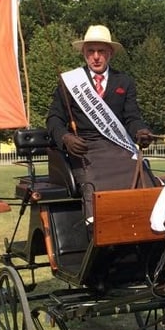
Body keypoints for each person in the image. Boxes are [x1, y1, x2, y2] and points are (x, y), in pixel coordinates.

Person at [46, 24, 155, 223]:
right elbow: (53, 119)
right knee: (94, 187)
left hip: (119, 147)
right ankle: (98, 234)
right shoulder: (70, 82)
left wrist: (141, 131)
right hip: (85, 150)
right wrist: (65, 138)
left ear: (110, 53)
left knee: (146, 180)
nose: (96, 57)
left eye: (101, 51)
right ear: (84, 54)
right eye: (91, 51)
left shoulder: (124, 81)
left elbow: (132, 117)